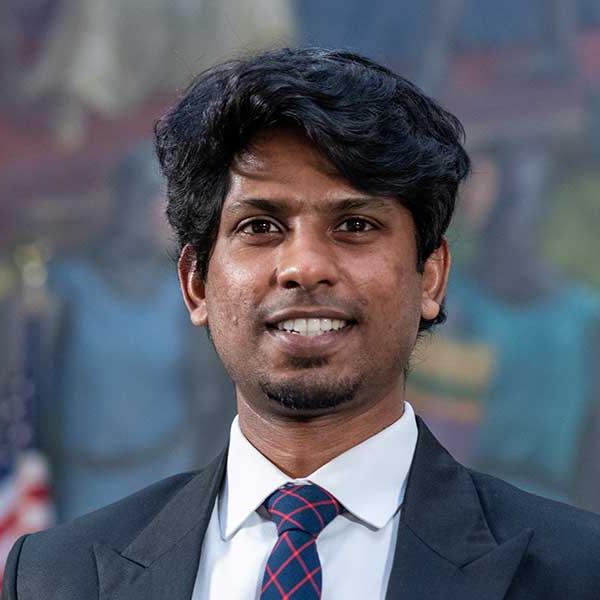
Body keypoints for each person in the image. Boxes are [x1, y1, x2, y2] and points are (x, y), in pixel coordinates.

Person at [2, 47, 600, 600]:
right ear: (196, 282)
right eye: (260, 226)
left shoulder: (579, 569)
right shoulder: (57, 576)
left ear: (432, 278)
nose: (305, 266)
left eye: (356, 225)